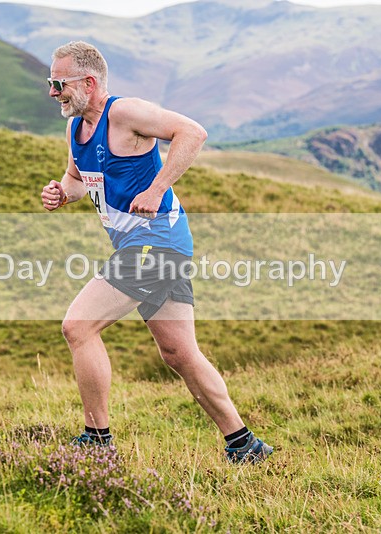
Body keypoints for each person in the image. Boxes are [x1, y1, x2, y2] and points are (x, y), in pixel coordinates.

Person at [40, 41, 272, 465]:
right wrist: (61, 193)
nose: (53, 91)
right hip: (146, 244)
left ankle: (97, 440)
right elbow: (79, 179)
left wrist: (157, 187)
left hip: (158, 241)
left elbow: (193, 132)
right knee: (180, 353)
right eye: (50, 82)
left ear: (88, 83)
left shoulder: (125, 113)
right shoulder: (76, 130)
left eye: (59, 83)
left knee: (78, 327)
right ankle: (245, 444)